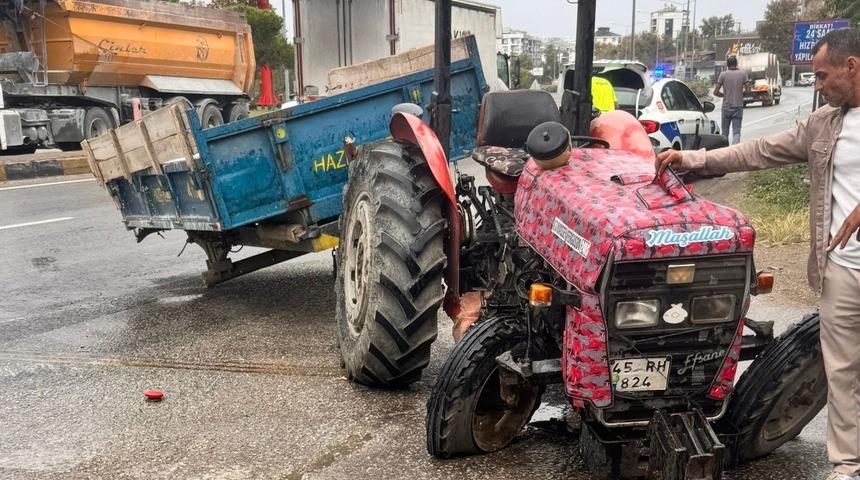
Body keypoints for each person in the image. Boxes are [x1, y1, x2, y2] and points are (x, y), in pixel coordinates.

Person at [655, 28, 860, 480]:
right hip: (843, 266)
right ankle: (847, 466)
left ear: (852, 66)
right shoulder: (825, 124)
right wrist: (694, 161)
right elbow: (760, 150)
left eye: (823, 75)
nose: (818, 85)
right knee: (843, 370)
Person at [713, 55, 750, 144]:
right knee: (736, 132)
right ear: (736, 64)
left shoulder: (723, 75)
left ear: (727, 64)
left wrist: (723, 95)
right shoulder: (743, 74)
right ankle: (734, 152)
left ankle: (726, 154)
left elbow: (715, 92)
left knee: (725, 133)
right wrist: (741, 94)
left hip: (726, 107)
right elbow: (748, 90)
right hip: (738, 107)